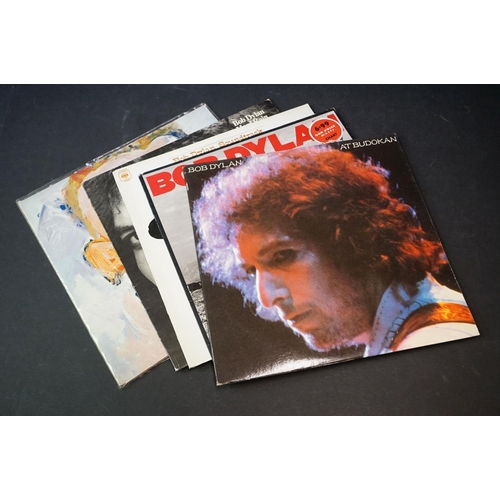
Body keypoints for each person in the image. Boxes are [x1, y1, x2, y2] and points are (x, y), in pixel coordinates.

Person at [192, 146, 479, 357]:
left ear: (355, 241)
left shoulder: (434, 339)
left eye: (282, 256)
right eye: (252, 271)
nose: (267, 298)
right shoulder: (404, 331)